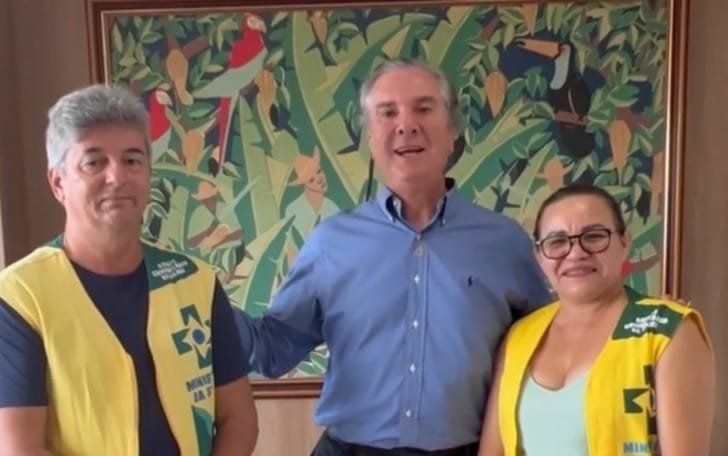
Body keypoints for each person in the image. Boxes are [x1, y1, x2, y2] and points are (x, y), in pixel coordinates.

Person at [236, 58, 552, 454]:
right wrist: (200, 297)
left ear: (452, 130)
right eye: (387, 113)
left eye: (423, 108)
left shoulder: (505, 242)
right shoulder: (331, 242)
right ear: (371, 138)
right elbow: (271, 351)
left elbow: (548, 349)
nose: (406, 124)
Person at [0, 84, 259, 455]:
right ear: (58, 183)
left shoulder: (195, 281)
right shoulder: (20, 295)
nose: (117, 177)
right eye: (94, 162)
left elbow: (239, 418)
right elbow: (18, 448)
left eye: (132, 160)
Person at [479, 184, 715, 456]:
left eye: (593, 236)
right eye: (557, 241)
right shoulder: (519, 336)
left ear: (624, 242)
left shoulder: (668, 330)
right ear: (539, 256)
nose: (575, 253)